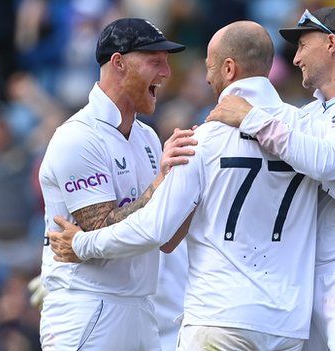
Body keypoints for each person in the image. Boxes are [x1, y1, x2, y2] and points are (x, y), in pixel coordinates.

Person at [49, 20, 335, 351]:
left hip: (219, 318)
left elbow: (157, 231)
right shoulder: (307, 132)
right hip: (287, 326)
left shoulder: (201, 139)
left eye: (209, 68)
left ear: (228, 69)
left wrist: (83, 244)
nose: (206, 77)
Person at [206, 7, 335, 350]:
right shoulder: (308, 115)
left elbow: (327, 162)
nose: (296, 59)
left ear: (332, 43)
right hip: (305, 278)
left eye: (303, 45)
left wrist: (254, 120)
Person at [38, 18, 194, 350]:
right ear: (118, 63)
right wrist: (162, 182)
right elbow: (98, 231)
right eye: (155, 60)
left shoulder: (148, 137)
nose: (166, 72)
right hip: (87, 307)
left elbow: (166, 239)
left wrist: (192, 184)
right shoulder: (77, 137)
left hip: (140, 308)